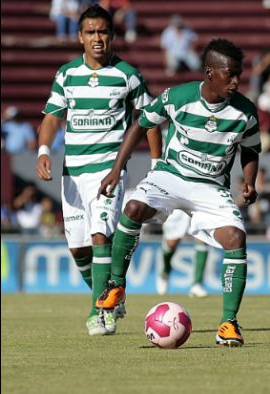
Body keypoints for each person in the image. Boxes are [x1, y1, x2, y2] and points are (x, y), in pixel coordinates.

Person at [94, 38, 260, 348]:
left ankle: (228, 322)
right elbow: (140, 125)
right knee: (133, 208)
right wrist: (117, 169)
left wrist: (250, 181)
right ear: (210, 73)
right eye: (230, 74)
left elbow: (251, 150)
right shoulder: (177, 97)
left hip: (211, 188)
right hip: (170, 177)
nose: (237, 81)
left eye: (239, 74)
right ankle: (116, 285)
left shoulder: (245, 112)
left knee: (236, 238)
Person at [35, 5, 163, 336]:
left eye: (102, 31)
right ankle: (112, 297)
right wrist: (44, 150)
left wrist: (156, 163)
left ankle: (99, 313)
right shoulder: (67, 75)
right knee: (79, 250)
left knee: (99, 236)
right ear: (80, 37)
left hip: (110, 170)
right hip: (73, 174)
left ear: (112, 35)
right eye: (90, 32)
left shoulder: (128, 75)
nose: (97, 38)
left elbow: (148, 119)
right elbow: (52, 117)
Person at [156, 209, 209, 297]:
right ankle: (165, 272)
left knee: (203, 239)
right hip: (178, 206)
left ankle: (197, 284)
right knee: (171, 244)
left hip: (197, 205)